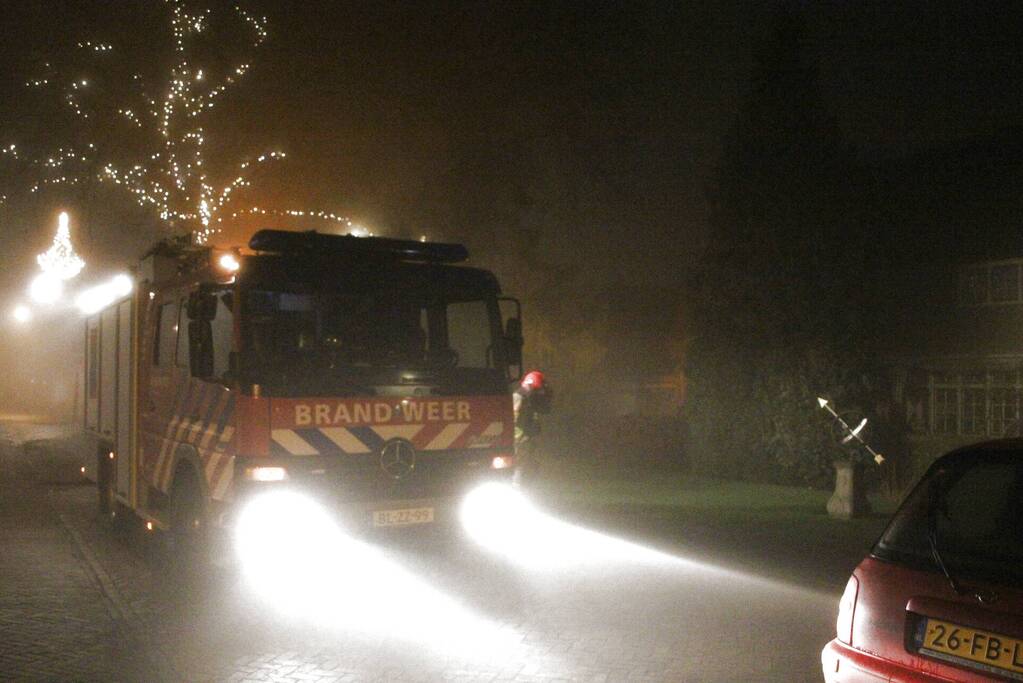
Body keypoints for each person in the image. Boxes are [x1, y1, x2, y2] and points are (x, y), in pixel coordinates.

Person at [512, 370, 552, 486]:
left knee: (528, 466)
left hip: (524, 440)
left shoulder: (529, 400)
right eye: (537, 390)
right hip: (517, 441)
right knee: (519, 466)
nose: (539, 394)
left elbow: (543, 410)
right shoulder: (519, 397)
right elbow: (513, 419)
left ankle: (523, 486)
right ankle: (517, 487)